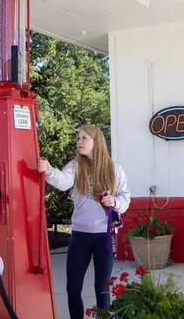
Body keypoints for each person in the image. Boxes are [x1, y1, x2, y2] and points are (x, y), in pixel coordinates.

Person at [38, 125, 131, 319]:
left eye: (84, 139)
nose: (79, 142)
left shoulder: (115, 169)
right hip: (80, 235)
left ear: (96, 142)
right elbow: (63, 181)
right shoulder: (76, 166)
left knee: (102, 290)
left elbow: (125, 199)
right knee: (73, 288)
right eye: (78, 139)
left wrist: (115, 202)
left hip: (104, 237)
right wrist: (48, 171)